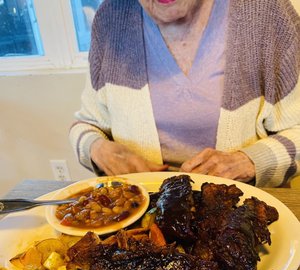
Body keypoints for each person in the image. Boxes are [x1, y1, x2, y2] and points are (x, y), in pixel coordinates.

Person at [69, 0, 300, 187]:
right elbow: (86, 125)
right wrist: (97, 149)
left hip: (242, 215)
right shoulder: (111, 19)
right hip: (141, 222)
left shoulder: (267, 14)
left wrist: (250, 161)